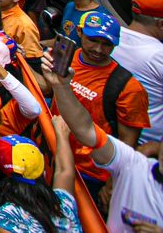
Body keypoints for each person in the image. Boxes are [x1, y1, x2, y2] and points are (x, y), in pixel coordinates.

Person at [44, 50, 163, 233]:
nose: (98, 49)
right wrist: (61, 87)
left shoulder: (129, 87)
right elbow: (85, 129)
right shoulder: (133, 166)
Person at [55, 11, 151, 197]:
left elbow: (127, 145)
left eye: (107, 44)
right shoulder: (70, 58)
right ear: (80, 32)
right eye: (93, 40)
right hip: (53, 150)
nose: (99, 49)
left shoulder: (129, 88)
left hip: (91, 173)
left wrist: (111, 185)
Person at [0, 126, 82, 233]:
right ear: (43, 171)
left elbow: (64, 171)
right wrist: (62, 133)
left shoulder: (7, 217)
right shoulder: (64, 204)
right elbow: (64, 171)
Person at [114, 0, 163, 144]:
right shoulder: (158, 55)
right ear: (160, 24)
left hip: (109, 129)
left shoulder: (110, 38)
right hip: (146, 143)